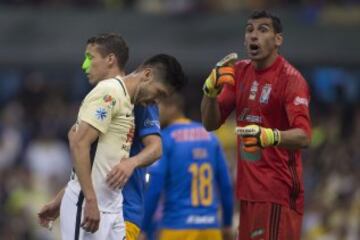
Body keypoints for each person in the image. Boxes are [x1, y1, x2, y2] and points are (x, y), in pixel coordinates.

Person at [38, 33, 187, 240]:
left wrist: (131, 163)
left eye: (90, 58)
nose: (84, 65)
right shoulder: (110, 94)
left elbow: (153, 148)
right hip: (98, 203)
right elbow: (85, 150)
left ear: (110, 60)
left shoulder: (139, 101)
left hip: (122, 205)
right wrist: (67, 198)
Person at [201, 10, 312, 240]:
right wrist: (209, 93)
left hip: (277, 193)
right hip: (248, 192)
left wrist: (270, 136)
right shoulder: (239, 72)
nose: (254, 36)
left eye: (263, 30)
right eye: (250, 30)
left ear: (277, 40)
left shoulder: (291, 79)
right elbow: (210, 123)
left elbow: (304, 136)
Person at [141, 92, 234, 240]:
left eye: (157, 107)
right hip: (210, 228)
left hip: (177, 228)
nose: (154, 114)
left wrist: (144, 227)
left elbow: (154, 188)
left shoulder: (165, 139)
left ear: (172, 107)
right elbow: (226, 185)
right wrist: (227, 224)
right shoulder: (210, 137)